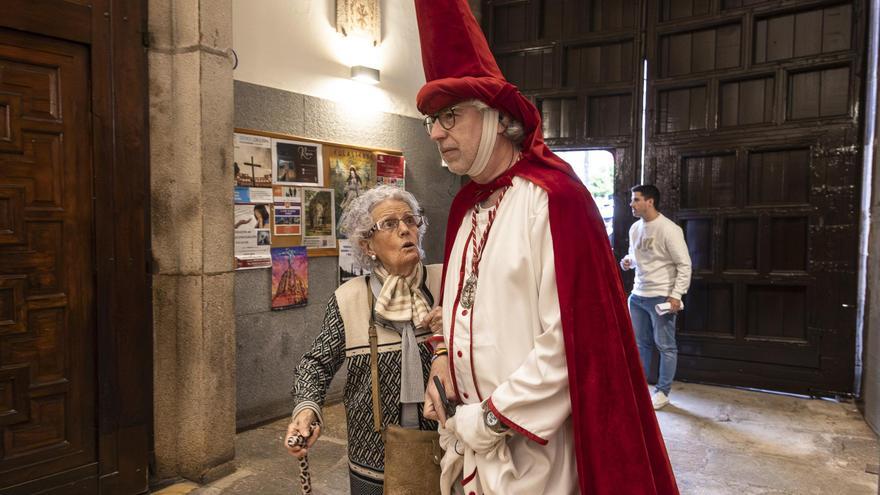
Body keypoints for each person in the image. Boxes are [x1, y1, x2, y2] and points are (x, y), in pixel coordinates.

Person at [413, 1, 679, 493]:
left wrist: (490, 421)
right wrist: (442, 361)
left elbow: (568, 343)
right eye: (430, 118)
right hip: (467, 445)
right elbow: (457, 307)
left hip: (534, 455)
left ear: (496, 116)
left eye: (450, 115)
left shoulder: (553, 200)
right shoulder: (465, 208)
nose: (434, 132)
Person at [284, 185, 447, 493]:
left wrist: (452, 328)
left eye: (410, 220)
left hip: (447, 450)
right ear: (367, 244)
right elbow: (315, 364)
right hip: (373, 461)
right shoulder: (349, 298)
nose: (404, 229)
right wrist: (306, 409)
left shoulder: (448, 282)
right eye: (389, 224)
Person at [620, 185, 692, 410]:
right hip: (638, 295)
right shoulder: (635, 228)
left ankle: (663, 392)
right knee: (640, 344)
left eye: (636, 200)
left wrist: (676, 295)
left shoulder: (669, 229)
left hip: (661, 295)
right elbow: (636, 254)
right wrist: (628, 261)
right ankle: (640, 390)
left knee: (666, 346)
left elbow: (684, 264)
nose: (631, 204)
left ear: (649, 202)